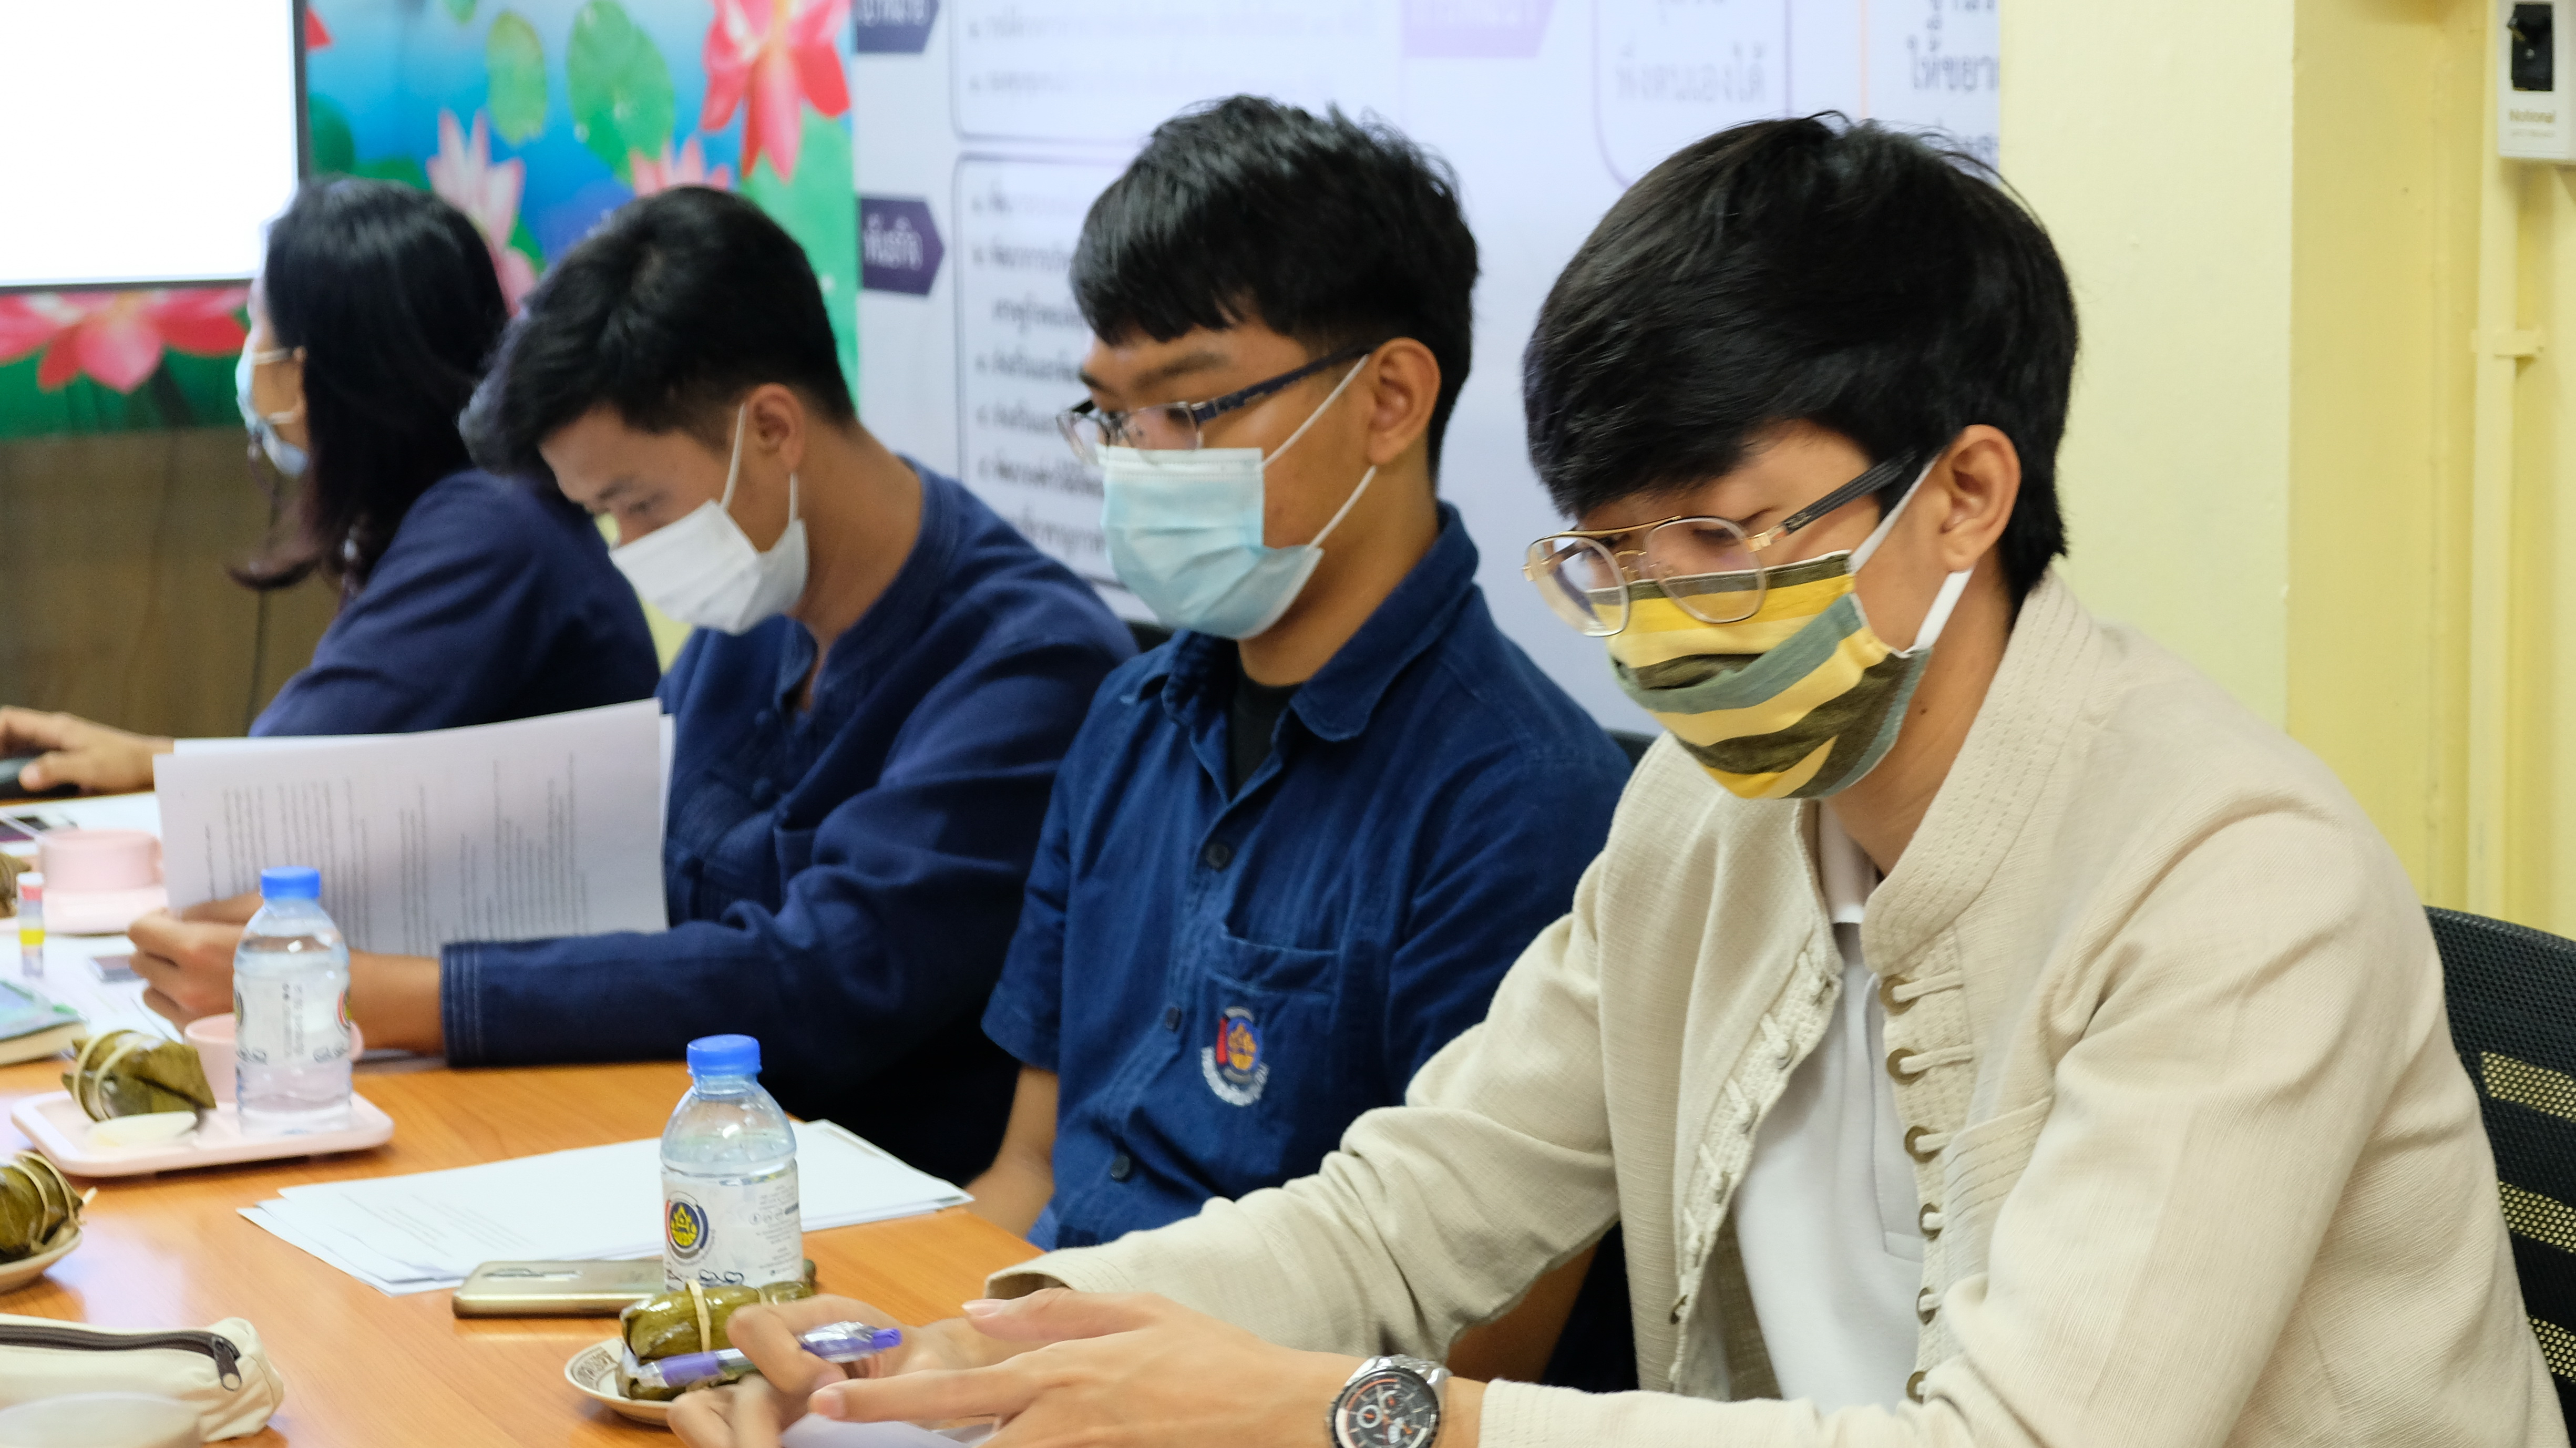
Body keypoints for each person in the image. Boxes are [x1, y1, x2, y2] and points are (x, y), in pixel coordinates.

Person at [673, 118, 2562, 1448]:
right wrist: (949, 1356)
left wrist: (1339, 1411)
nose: (1661, 620)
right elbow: (1403, 1213)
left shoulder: (2232, 885)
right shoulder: (1705, 817)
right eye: (1613, 559)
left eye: (1721, 541)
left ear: (1965, 494)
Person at [127, 188, 1133, 1183]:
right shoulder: (756, 612)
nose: (630, 549)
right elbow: (631, 866)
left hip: (868, 1198)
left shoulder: (1027, 666)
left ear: (773, 429)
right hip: (654, 1139)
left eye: (640, 503)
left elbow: (818, 980)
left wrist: (397, 995)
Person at [964, 95, 1628, 1290]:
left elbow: (1479, 1320)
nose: (1141, 460)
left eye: (1193, 408)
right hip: (1037, 1342)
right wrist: (903, 1358)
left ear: (1388, 400)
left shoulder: (1523, 800)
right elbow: (1027, 1174)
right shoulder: (1127, 721)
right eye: (1113, 416)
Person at [0, 178, 659, 789]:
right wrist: (148, 761)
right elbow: (307, 757)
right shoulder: (469, 509)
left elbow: (292, 777)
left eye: (261, 323)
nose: (251, 351)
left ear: (318, 371)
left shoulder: (488, 531)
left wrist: (156, 764)